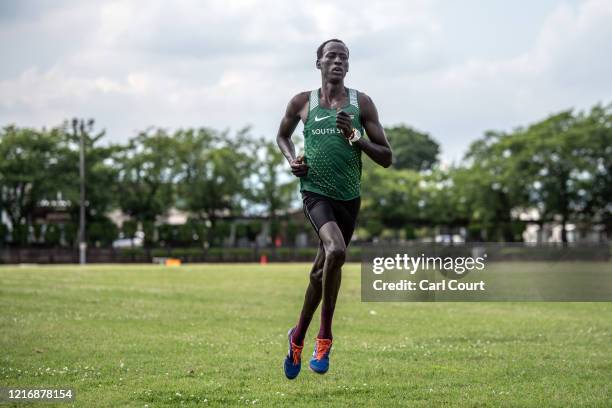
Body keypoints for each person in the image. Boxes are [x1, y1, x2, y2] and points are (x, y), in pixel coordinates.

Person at [276, 39, 392, 379]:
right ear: (319, 63)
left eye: (344, 57)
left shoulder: (362, 103)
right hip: (315, 192)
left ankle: (296, 337)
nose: (338, 61)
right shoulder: (302, 102)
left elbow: (386, 157)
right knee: (336, 249)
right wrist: (292, 159)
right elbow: (282, 136)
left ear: (348, 65)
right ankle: (324, 337)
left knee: (321, 268)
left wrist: (356, 138)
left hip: (348, 197)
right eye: (332, 56)